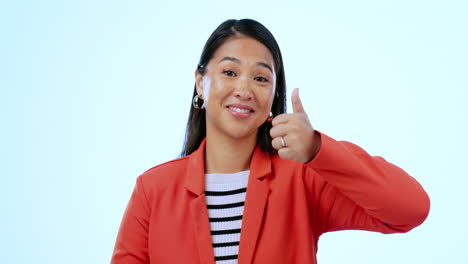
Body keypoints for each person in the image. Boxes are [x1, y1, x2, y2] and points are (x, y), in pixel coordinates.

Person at [111, 19, 430, 264]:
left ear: (274, 95)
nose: (245, 89)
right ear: (200, 82)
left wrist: (318, 150)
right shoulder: (153, 190)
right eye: (230, 72)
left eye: (261, 78)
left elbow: (411, 208)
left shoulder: (302, 180)